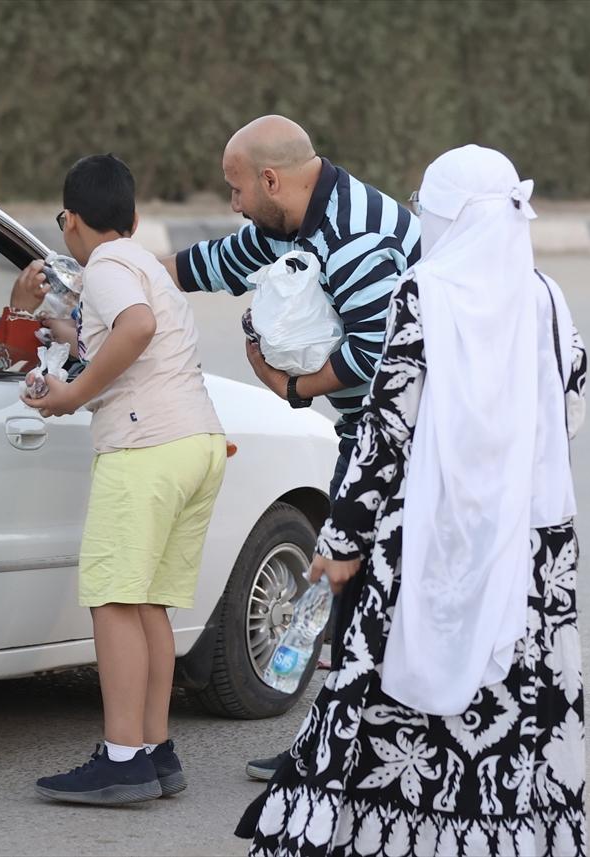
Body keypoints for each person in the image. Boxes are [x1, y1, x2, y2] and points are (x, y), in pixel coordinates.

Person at [237, 145, 589, 856]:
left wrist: (341, 541)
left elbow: (387, 428)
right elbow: (571, 401)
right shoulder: (546, 297)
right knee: (512, 702)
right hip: (529, 539)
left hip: (425, 529)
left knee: (391, 695)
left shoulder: (425, 292)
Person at [159, 115, 421, 781]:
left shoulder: (355, 238)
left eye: (237, 188)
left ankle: (345, 750)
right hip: (372, 429)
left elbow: (376, 354)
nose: (234, 202)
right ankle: (346, 743)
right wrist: (125, 272)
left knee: (348, 581)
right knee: (352, 586)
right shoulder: (295, 219)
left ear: (271, 180)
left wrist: (291, 387)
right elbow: (215, 262)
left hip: (403, 438)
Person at [23, 154, 228, 805]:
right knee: (146, 604)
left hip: (146, 447)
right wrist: (51, 324)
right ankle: (154, 749)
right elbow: (122, 332)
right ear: (135, 218)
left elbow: (134, 328)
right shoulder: (143, 265)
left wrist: (72, 393)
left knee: (113, 598)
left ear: (70, 221)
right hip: (196, 441)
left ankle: (121, 760)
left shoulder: (106, 266)